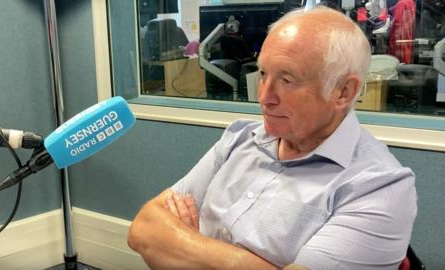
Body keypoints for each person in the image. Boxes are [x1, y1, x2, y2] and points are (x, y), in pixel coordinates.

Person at [128, 6, 417, 270]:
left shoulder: (379, 188)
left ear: (343, 91)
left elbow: (161, 241)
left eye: (287, 80)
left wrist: (183, 244)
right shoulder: (239, 138)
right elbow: (143, 229)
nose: (264, 97)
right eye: (264, 73)